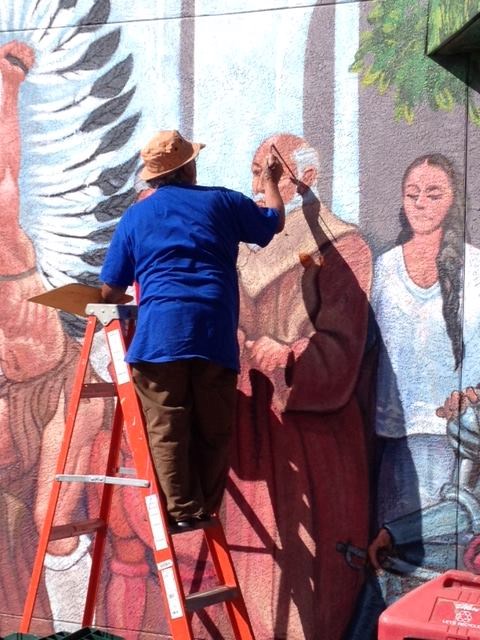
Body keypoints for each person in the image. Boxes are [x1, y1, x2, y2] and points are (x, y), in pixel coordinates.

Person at [226, 133, 373, 640]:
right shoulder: (243, 246)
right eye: (254, 171)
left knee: (301, 588)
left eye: (272, 172)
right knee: (245, 566)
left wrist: (288, 356)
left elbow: (341, 348)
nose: (258, 184)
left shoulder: (342, 246)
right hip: (251, 427)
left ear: (305, 179)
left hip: (310, 445)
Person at [100, 129, 285, 529]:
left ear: (153, 177)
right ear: (189, 167)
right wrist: (271, 181)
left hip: (159, 338)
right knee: (213, 427)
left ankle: (183, 511)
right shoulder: (222, 201)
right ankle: (205, 507)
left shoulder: (137, 216)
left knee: (168, 425)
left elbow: (111, 289)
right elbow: (272, 223)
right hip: (213, 334)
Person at [345, 154, 480, 639]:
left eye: (434, 193)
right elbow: (363, 350)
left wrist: (473, 395)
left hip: (457, 445)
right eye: (413, 194)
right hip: (395, 438)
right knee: (394, 555)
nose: (422, 203)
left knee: (446, 554)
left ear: (453, 200)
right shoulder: (383, 270)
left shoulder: (475, 270)